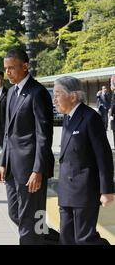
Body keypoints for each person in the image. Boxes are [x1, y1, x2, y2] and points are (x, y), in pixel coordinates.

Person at [0, 48, 55, 245]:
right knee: (16, 214)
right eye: (6, 69)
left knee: (30, 222)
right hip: (12, 168)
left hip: (31, 170)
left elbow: (43, 135)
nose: (7, 73)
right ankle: (61, 240)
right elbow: (7, 131)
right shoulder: (11, 92)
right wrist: (3, 163)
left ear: (25, 66)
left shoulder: (37, 93)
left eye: (11, 68)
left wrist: (38, 169)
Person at [53, 76, 114, 245]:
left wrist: (106, 190)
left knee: (85, 239)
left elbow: (104, 156)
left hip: (84, 190)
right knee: (66, 239)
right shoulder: (67, 118)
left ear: (73, 96)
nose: (54, 99)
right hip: (66, 190)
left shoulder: (90, 118)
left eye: (58, 94)